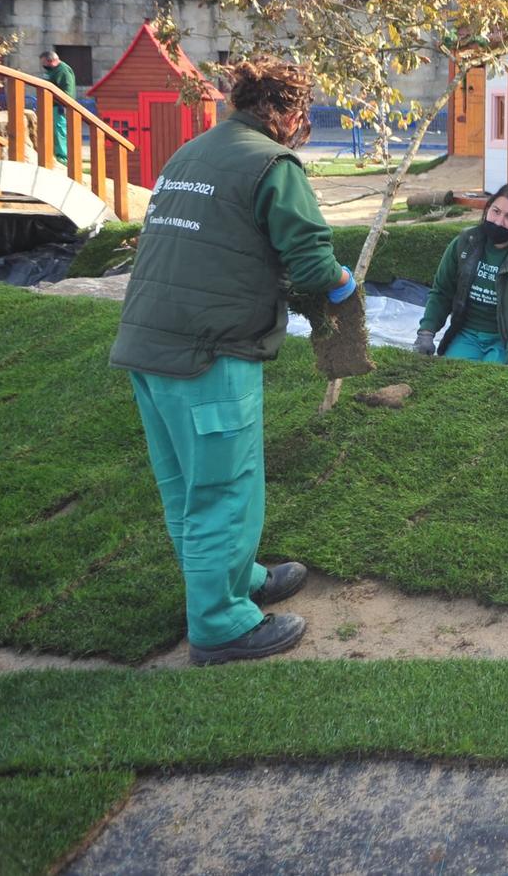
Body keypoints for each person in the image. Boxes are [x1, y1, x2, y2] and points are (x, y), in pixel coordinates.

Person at [110, 57, 360, 665]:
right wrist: (340, 287)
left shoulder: (189, 155)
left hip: (148, 348)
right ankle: (221, 626)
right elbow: (309, 257)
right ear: (285, 112)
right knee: (225, 488)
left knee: (187, 487)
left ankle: (235, 578)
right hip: (208, 354)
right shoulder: (271, 163)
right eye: (301, 113)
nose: (301, 125)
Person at [413, 183, 508, 366]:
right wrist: (426, 332)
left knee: (493, 383)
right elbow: (442, 291)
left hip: (507, 337)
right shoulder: (465, 244)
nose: (498, 221)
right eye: (495, 211)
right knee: (452, 378)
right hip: (469, 334)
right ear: (487, 208)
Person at [40, 47, 76, 163]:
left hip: (60, 106)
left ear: (51, 61)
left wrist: (58, 101)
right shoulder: (51, 71)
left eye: (44, 63)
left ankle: (63, 158)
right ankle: (54, 155)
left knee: (59, 131)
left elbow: (68, 92)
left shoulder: (63, 70)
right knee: (52, 132)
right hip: (50, 105)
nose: (43, 66)